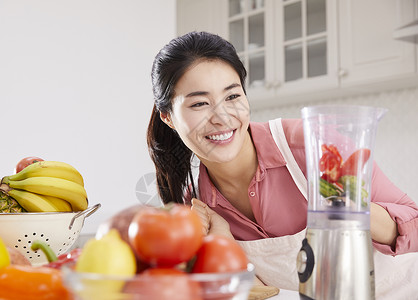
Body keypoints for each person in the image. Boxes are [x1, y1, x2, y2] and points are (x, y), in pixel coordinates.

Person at [146, 31, 418, 291]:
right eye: (199, 104)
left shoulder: (315, 147)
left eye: (232, 96)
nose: (222, 117)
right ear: (167, 117)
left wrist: (357, 212)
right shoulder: (197, 207)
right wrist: (224, 245)